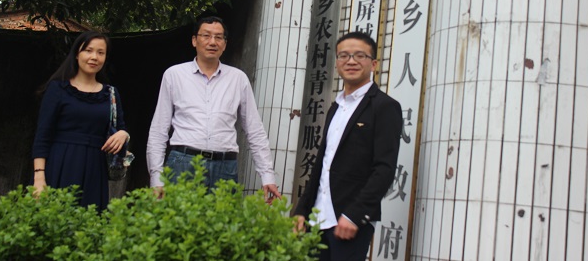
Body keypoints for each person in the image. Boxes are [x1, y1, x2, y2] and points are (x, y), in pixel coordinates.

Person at [293, 32, 403, 261]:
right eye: (344, 56)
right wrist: (302, 210)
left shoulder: (384, 107)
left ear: (374, 64)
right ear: (337, 63)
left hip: (349, 221)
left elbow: (384, 169)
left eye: (359, 55)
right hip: (317, 219)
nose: (351, 61)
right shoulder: (335, 108)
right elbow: (322, 164)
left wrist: (355, 214)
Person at [146, 16, 281, 201]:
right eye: (206, 35)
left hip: (225, 167)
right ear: (194, 40)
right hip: (183, 163)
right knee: (179, 219)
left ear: (224, 44)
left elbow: (254, 130)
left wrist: (267, 176)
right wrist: (156, 178)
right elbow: (159, 130)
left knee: (224, 219)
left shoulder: (238, 79)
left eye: (218, 37)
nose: (212, 42)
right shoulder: (174, 75)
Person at [31, 31, 129, 211]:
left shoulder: (111, 94)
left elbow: (120, 128)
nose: (94, 57)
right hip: (60, 164)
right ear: (77, 54)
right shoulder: (58, 89)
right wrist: (39, 177)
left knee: (89, 222)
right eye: (88, 50)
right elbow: (42, 136)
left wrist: (123, 134)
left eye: (100, 52)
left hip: (94, 169)